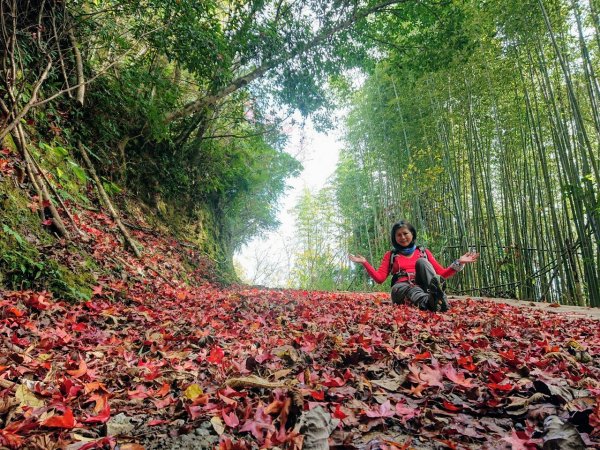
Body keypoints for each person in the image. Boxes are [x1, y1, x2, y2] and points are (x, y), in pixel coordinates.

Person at [349, 220, 479, 312]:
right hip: (400, 288)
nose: (402, 237)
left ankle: (434, 299)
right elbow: (379, 279)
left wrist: (459, 262)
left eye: (405, 233)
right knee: (412, 289)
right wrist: (365, 262)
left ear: (412, 234)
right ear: (394, 238)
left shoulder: (423, 252)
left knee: (422, 263)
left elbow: (441, 274)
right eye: (398, 235)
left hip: (423, 286)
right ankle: (435, 301)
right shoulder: (391, 255)